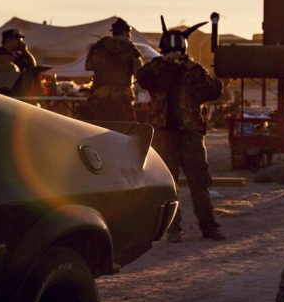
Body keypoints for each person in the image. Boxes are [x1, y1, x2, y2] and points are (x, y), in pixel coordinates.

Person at [137, 17, 225, 242]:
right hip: (167, 133)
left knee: (199, 181)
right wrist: (162, 63)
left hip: (189, 133)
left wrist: (190, 67)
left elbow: (214, 91)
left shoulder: (193, 70)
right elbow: (142, 78)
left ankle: (207, 226)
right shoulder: (158, 70)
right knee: (169, 183)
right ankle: (174, 229)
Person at [81, 17, 144, 122]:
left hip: (100, 97)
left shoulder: (100, 47)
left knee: (98, 129)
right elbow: (139, 73)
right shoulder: (131, 50)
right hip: (123, 99)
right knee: (123, 129)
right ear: (125, 32)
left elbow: (88, 66)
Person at [0, 28, 40, 97]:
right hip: (5, 94)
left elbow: (32, 66)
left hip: (20, 93)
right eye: (18, 40)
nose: (21, 43)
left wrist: (26, 52)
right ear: (8, 41)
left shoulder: (19, 56)